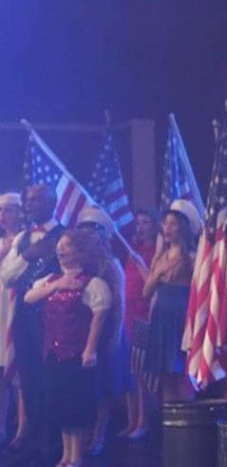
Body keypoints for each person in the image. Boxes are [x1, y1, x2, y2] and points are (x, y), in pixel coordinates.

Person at [24, 228, 111, 467]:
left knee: (76, 405)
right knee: (59, 403)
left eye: (68, 247)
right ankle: (65, 454)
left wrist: (90, 349)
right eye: (60, 247)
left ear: (80, 252)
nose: (61, 251)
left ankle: (76, 455)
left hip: (76, 353)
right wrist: (57, 285)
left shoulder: (92, 284)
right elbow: (28, 298)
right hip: (52, 352)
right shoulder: (49, 281)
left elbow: (99, 317)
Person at [0, 184, 66, 460]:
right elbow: (7, 277)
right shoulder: (24, 239)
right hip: (25, 319)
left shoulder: (64, 235)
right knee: (28, 379)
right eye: (27, 200)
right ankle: (35, 438)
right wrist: (28, 255)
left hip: (55, 318)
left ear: (51, 202)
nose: (29, 205)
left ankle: (55, 442)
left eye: (35, 199)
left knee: (51, 379)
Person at [73, 207, 130, 457]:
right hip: (79, 330)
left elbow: (119, 303)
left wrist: (115, 336)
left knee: (104, 386)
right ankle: (83, 431)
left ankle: (100, 432)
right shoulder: (77, 263)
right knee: (85, 386)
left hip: (106, 331)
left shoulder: (111, 266)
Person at [142, 201, 199, 403]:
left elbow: (199, 292)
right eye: (165, 223)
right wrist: (157, 273)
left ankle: (188, 421)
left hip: (181, 316)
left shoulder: (191, 258)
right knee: (165, 375)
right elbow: (146, 292)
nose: (167, 228)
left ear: (183, 228)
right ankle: (170, 426)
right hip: (161, 316)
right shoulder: (159, 258)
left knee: (181, 373)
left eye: (173, 224)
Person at [120, 209, 157, 440]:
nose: (141, 227)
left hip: (146, 316)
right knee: (129, 372)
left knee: (143, 372)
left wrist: (143, 265)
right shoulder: (134, 251)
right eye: (138, 223)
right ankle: (131, 420)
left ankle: (144, 422)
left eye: (146, 222)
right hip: (129, 316)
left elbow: (151, 285)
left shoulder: (157, 252)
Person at [0, 192, 23, 446]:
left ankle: (22, 427)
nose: (3, 216)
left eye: (7, 210)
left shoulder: (23, 241)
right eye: (0, 211)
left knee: (17, 371)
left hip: (15, 306)